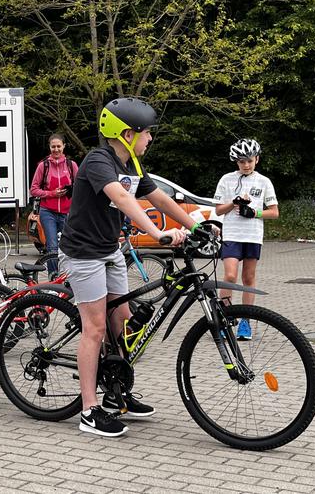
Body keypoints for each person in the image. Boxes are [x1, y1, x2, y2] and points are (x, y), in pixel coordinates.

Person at [58, 97, 195, 437]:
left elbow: (159, 198)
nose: (150, 138)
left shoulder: (131, 164)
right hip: (84, 253)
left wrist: (194, 226)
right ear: (127, 133)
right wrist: (157, 233)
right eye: (147, 132)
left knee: (121, 320)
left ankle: (117, 394)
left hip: (110, 250)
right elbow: (121, 198)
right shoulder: (98, 160)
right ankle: (89, 410)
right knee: (95, 329)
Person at [214, 138, 278, 340]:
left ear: (257, 159)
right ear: (236, 162)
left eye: (249, 160)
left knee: (248, 278)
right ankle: (224, 319)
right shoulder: (226, 179)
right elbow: (217, 209)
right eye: (241, 161)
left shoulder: (264, 181)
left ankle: (245, 322)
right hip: (232, 234)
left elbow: (274, 212)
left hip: (252, 235)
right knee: (230, 276)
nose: (246, 165)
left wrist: (254, 213)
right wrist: (234, 202)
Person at [29, 133, 79, 278]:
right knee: (52, 245)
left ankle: (71, 275)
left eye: (58, 146)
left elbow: (80, 185)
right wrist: (51, 193)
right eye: (53, 146)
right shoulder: (43, 165)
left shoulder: (71, 165)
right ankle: (53, 275)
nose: (56, 149)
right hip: (47, 211)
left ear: (64, 146)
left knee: (70, 244)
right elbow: (34, 189)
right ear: (49, 147)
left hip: (67, 211)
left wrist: (70, 191)